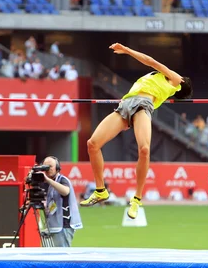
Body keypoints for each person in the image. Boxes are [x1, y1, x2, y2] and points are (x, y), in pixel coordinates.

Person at [80, 43, 193, 219]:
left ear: (182, 84)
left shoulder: (176, 80)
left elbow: (150, 61)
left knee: (144, 149)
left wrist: (126, 50)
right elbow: (150, 64)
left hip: (143, 106)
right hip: (125, 104)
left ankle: (136, 200)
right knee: (92, 144)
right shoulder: (160, 78)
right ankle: (100, 190)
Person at [41, 156, 83, 247]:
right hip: (54, 225)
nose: (48, 169)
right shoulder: (48, 184)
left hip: (64, 224)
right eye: (45, 167)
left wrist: (48, 180)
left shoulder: (62, 180)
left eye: (50, 166)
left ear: (57, 168)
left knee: (62, 255)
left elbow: (65, 191)